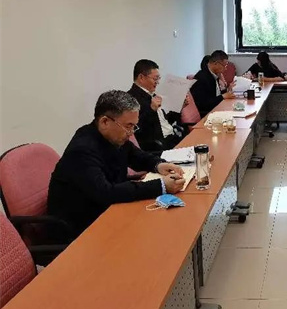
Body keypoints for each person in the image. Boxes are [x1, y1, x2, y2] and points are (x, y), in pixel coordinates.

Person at [48, 90, 186, 237]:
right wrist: (161, 186)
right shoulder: (82, 149)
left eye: (134, 126)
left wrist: (158, 165)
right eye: (128, 126)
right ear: (105, 122)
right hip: (81, 228)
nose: (131, 133)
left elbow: (136, 156)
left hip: (108, 211)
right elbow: (106, 193)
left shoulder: (112, 136)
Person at [127, 59, 185, 151]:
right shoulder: (131, 99)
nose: (157, 82)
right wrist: (151, 109)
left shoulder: (152, 95)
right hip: (159, 146)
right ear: (141, 77)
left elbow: (165, 122)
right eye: (155, 79)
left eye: (158, 78)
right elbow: (136, 129)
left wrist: (180, 106)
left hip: (172, 137)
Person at [190, 50, 235, 117]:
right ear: (216, 63)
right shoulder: (201, 78)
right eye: (224, 66)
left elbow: (216, 94)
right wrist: (223, 96)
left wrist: (227, 90)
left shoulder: (213, 74)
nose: (225, 69)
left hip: (216, 109)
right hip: (207, 114)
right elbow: (203, 104)